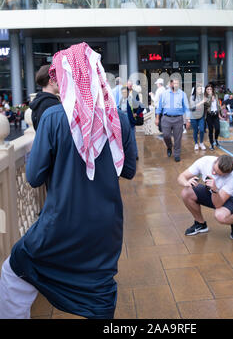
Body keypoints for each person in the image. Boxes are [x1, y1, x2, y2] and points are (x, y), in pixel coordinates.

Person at [0, 42, 136, 319]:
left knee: (14, 272)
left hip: (61, 224)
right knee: (100, 290)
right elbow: (129, 170)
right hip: (106, 227)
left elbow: (34, 176)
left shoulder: (52, 117)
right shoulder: (118, 118)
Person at [178, 154, 233, 240]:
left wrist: (215, 190)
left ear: (227, 174)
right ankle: (200, 224)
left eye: (218, 174)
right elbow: (181, 177)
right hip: (211, 192)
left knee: (220, 216)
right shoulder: (205, 161)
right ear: (216, 161)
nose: (213, 173)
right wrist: (186, 183)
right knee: (186, 192)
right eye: (214, 169)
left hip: (230, 199)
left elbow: (217, 205)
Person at [155, 78, 191, 162]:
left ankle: (177, 154)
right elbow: (159, 107)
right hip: (166, 118)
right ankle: (169, 146)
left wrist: (188, 120)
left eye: (177, 83)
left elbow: (186, 108)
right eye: (173, 83)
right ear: (170, 84)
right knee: (166, 136)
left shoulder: (182, 94)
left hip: (178, 118)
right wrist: (157, 118)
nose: (175, 85)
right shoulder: (164, 94)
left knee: (178, 137)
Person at [29, 64, 60, 131]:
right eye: (59, 78)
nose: (62, 81)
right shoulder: (52, 104)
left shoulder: (38, 101)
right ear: (51, 81)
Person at [118, 85, 143, 160]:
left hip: (130, 122)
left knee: (132, 139)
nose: (124, 94)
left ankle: (135, 155)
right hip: (122, 122)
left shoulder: (131, 100)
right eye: (122, 92)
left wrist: (136, 113)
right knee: (124, 139)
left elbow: (141, 107)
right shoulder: (121, 100)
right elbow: (119, 108)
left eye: (125, 92)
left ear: (128, 92)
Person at [204, 84, 221, 151]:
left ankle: (216, 139)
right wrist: (210, 98)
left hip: (216, 114)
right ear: (206, 90)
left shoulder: (216, 96)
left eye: (210, 89)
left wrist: (219, 113)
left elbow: (218, 105)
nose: (209, 90)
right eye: (208, 89)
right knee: (210, 130)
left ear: (212, 90)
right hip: (209, 115)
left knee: (217, 128)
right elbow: (207, 104)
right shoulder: (205, 97)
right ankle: (211, 144)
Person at [190, 85, 206, 151]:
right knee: (195, 130)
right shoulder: (192, 97)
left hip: (201, 116)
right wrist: (202, 102)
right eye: (198, 89)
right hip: (193, 116)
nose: (200, 90)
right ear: (195, 90)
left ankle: (201, 143)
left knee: (202, 130)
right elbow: (192, 107)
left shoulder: (202, 96)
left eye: (200, 89)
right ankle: (196, 143)